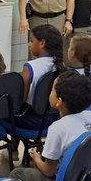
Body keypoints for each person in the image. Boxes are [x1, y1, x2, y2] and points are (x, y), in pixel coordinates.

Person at [10, 71, 91, 181]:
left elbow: (49, 171)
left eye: (52, 90)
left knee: (16, 173)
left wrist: (36, 158)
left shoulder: (57, 128)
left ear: (59, 101)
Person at [8, 25, 65, 161]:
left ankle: (11, 150)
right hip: (54, 119)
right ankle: (35, 149)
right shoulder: (61, 65)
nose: (29, 44)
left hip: (34, 121)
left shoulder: (30, 67)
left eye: (31, 40)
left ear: (42, 43)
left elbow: (19, 101)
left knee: (5, 112)